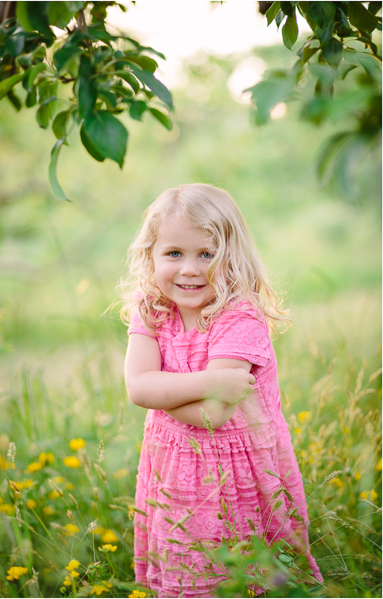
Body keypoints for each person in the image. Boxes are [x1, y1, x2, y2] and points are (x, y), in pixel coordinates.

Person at [120, 184, 323, 597]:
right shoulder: (152, 307)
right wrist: (208, 382)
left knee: (250, 573)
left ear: (233, 257)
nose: (190, 269)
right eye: (174, 253)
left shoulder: (239, 317)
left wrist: (161, 390)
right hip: (173, 468)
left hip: (240, 474)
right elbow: (137, 387)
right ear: (151, 256)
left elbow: (211, 416)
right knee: (184, 570)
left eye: (207, 254)